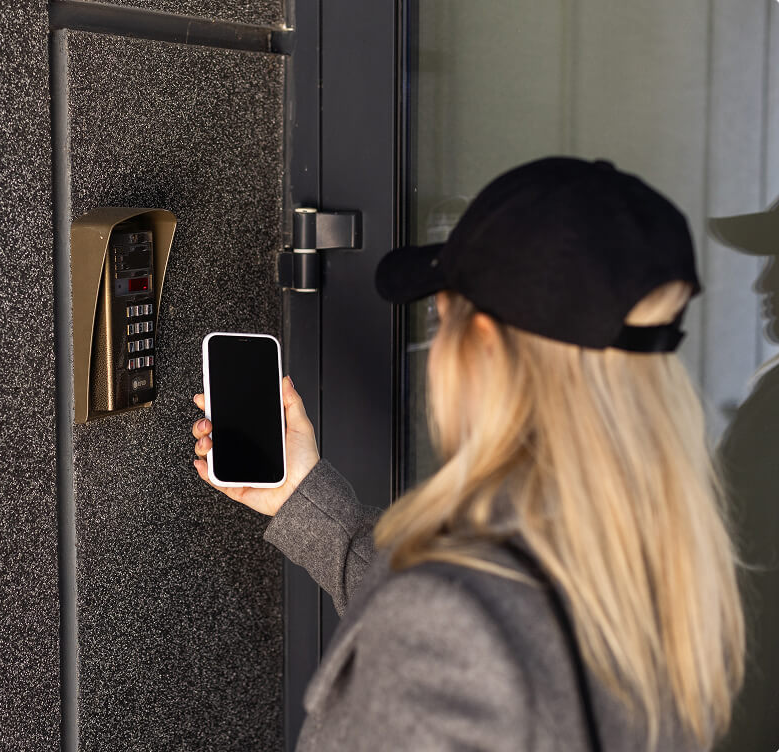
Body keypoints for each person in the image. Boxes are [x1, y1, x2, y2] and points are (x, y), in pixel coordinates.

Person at [190, 157, 745, 751]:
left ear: (480, 342)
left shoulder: (445, 622)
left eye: (440, 315)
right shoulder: (659, 570)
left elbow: (458, 619)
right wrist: (304, 496)